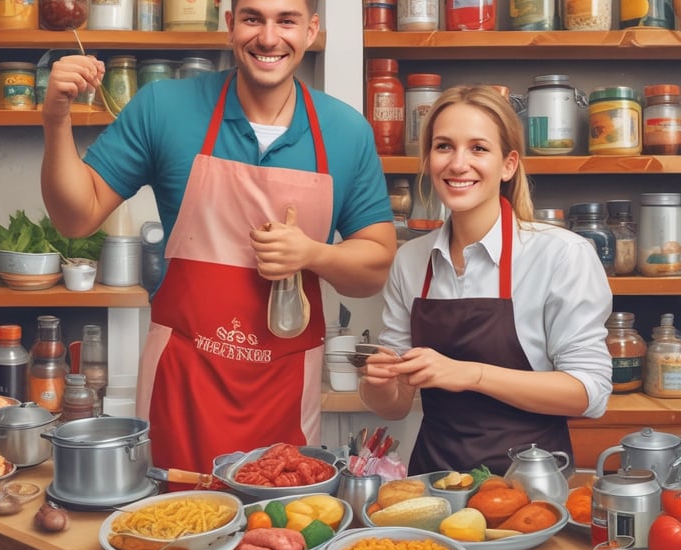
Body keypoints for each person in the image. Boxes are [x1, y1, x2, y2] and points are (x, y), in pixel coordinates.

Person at [40, 0, 397, 474]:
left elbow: (373, 267)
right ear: (230, 26)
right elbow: (76, 217)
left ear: (311, 31)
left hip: (285, 387)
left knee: (282, 514)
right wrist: (56, 119)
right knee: (177, 512)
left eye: (286, 21)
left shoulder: (346, 132)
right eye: (252, 18)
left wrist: (312, 254)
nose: (268, 37)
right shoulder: (164, 108)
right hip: (184, 384)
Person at [359, 85, 612, 475]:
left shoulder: (561, 254)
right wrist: (378, 384)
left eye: (478, 148)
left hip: (529, 487)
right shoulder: (410, 261)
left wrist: (471, 374)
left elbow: (589, 394)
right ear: (428, 159)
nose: (458, 164)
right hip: (433, 483)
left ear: (508, 165)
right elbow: (396, 406)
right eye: (444, 146)